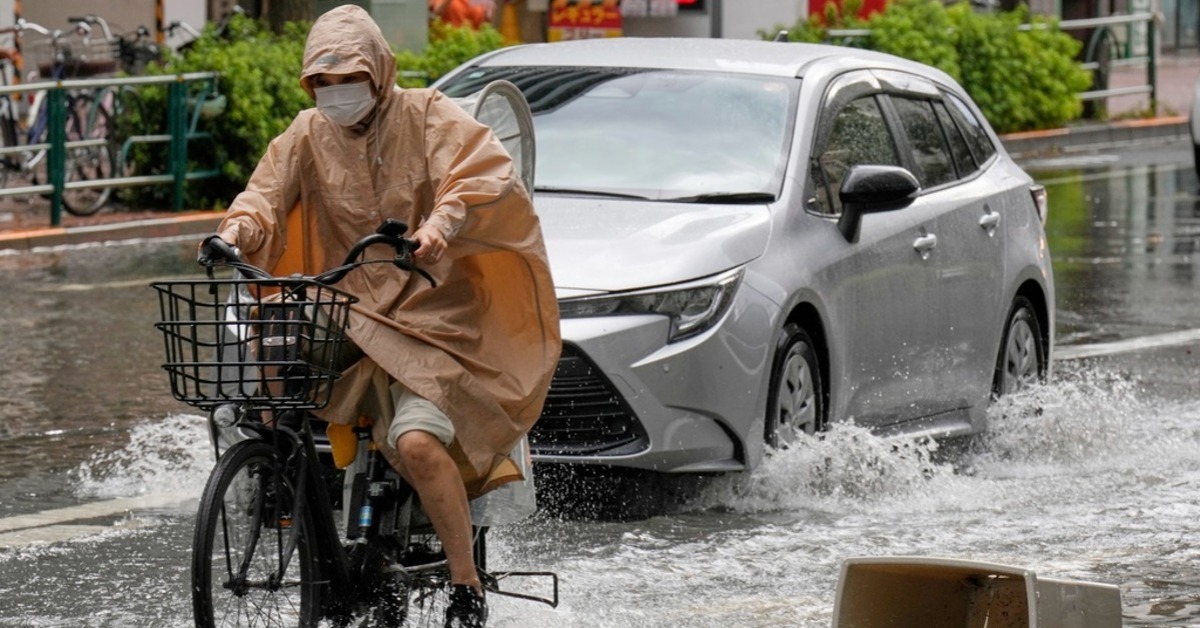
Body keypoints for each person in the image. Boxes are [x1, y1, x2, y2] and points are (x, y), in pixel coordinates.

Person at [197, 5, 560, 627]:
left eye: (351, 79)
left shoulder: (427, 114)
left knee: (417, 443)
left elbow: (477, 174)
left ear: (380, 72)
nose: (337, 93)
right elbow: (264, 196)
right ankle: (281, 472)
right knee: (273, 346)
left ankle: (465, 586)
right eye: (324, 82)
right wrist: (234, 232)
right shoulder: (307, 133)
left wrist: (439, 228)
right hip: (347, 305)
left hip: (434, 315)